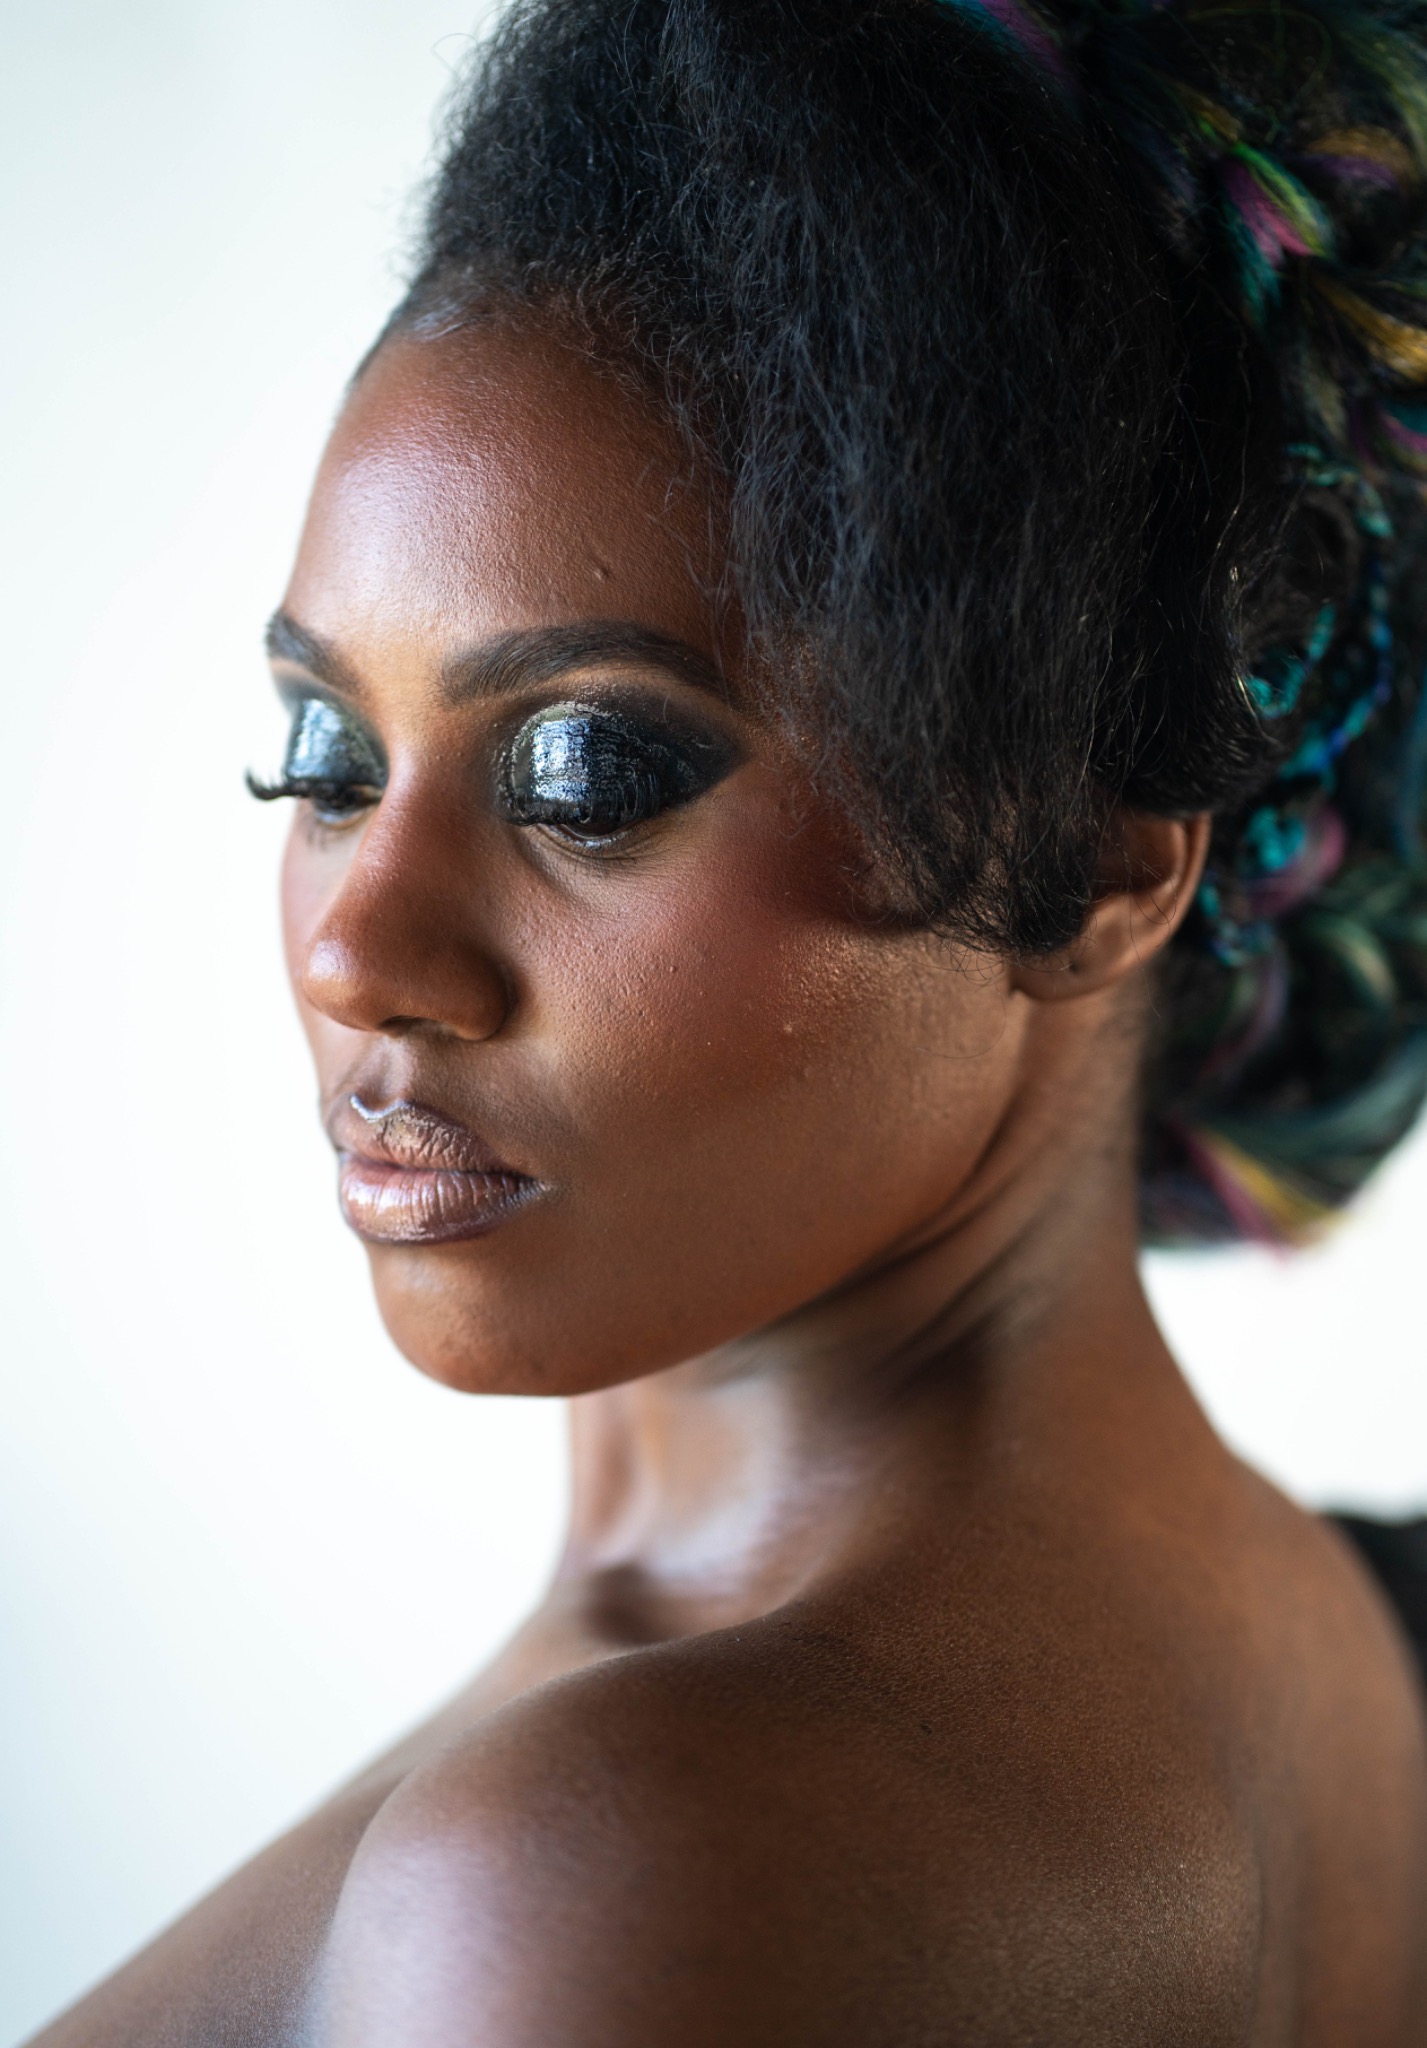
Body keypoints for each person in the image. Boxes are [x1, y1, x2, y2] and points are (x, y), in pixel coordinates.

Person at [30, 0, 1427, 2040]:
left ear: (1104, 864)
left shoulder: (624, 1867)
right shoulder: (1312, 1655)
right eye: (325, 755)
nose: (353, 950)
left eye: (586, 771)